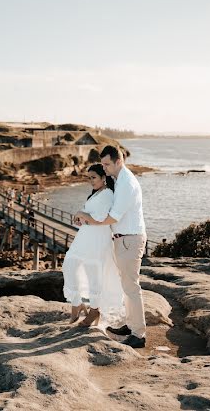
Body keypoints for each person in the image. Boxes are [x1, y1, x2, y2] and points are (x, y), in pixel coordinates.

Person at [73, 145, 147, 348]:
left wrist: (87, 218)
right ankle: (131, 326)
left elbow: (113, 217)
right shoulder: (118, 180)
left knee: (131, 287)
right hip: (122, 239)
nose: (103, 168)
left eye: (106, 164)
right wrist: (87, 216)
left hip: (130, 240)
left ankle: (139, 335)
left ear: (118, 161)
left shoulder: (127, 184)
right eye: (102, 164)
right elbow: (105, 207)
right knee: (126, 285)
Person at [62, 164, 125, 328]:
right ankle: (77, 303)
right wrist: (80, 217)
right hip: (85, 236)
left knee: (93, 273)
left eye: (93, 177)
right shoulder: (96, 194)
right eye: (89, 178)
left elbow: (100, 218)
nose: (90, 181)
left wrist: (82, 215)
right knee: (69, 264)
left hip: (97, 237)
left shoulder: (108, 194)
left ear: (104, 178)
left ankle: (95, 310)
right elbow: (89, 216)